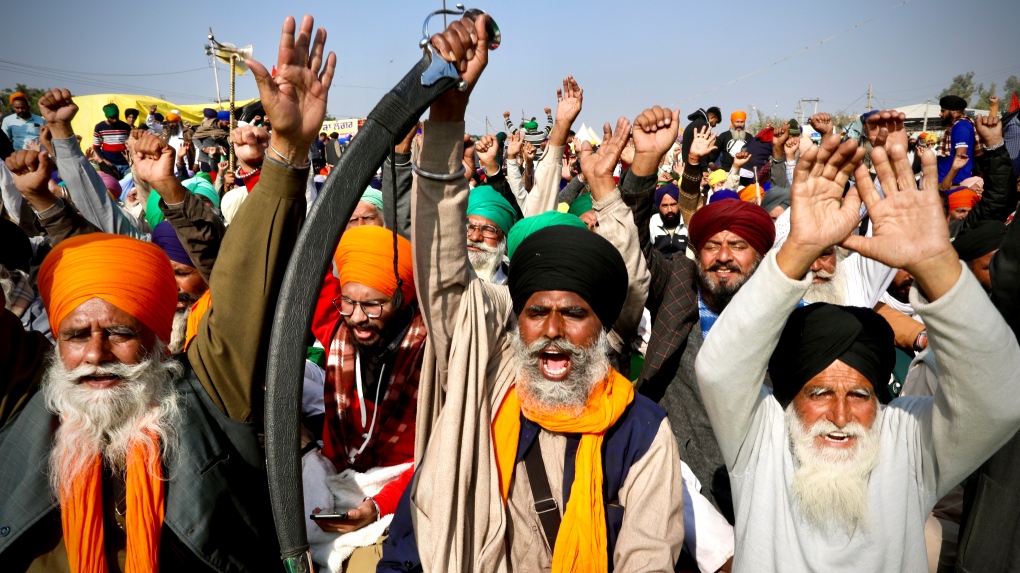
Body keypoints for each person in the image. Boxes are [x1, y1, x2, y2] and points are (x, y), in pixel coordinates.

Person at [0, 14, 336, 571]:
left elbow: (244, 286)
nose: (97, 353)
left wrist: (285, 154)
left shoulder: (203, 398)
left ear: (158, 338)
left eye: (121, 333)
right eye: (77, 335)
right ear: (53, 340)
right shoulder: (26, 399)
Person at [379, 18, 684, 572]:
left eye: (574, 314)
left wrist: (626, 181)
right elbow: (444, 268)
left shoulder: (640, 433)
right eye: (537, 312)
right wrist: (447, 114)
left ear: (605, 327)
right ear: (514, 318)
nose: (552, 331)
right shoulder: (480, 395)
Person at [695, 110, 1020, 571]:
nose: (842, 417)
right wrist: (798, 250)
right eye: (820, 392)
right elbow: (717, 368)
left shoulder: (908, 441)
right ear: (789, 397)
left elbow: (1002, 397)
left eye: (861, 395)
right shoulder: (762, 436)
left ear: (882, 396)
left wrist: (936, 264)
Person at [624, 115, 775, 523]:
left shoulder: (778, 308)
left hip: (761, 473)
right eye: (712, 245)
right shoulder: (677, 280)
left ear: (759, 256)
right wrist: (644, 164)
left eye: (738, 245)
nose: (723, 256)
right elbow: (633, 245)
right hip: (680, 470)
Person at [304, 225, 423, 570]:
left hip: (403, 496)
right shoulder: (337, 330)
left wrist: (376, 505)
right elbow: (302, 265)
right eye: (349, 302)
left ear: (401, 299)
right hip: (334, 483)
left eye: (373, 304)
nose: (357, 317)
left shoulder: (432, 355)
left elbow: (437, 456)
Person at [465, 184, 518, 284]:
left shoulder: (515, 284)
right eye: (469, 227)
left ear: (503, 239)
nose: (475, 237)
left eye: (488, 230)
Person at [937, 95, 979, 190]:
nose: (940, 114)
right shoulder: (956, 125)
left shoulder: (961, 127)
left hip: (953, 183)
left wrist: (946, 183)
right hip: (949, 181)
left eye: (943, 111)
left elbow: (960, 157)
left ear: (953, 111)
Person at [649, 182, 688, 258]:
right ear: (658, 206)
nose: (669, 210)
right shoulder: (653, 222)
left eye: (673, 204)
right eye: (665, 205)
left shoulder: (687, 222)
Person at [92, 103, 133, 177]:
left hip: (126, 165)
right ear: (107, 117)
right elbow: (96, 147)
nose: (115, 120)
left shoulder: (126, 127)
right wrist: (104, 160)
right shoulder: (100, 127)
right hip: (110, 165)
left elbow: (131, 144)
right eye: (112, 118)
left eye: (116, 117)